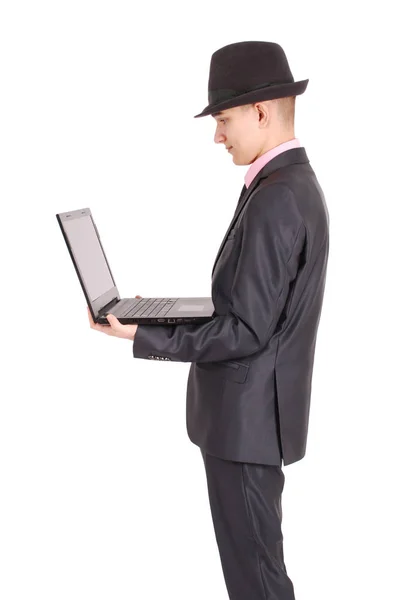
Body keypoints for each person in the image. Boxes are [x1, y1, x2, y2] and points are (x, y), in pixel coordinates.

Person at [88, 40, 330, 600]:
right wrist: (169, 316)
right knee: (255, 573)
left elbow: (247, 331)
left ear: (261, 112)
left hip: (246, 428)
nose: (217, 135)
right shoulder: (282, 187)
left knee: (257, 582)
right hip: (248, 425)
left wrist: (144, 333)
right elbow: (253, 311)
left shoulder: (279, 197)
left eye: (223, 119)